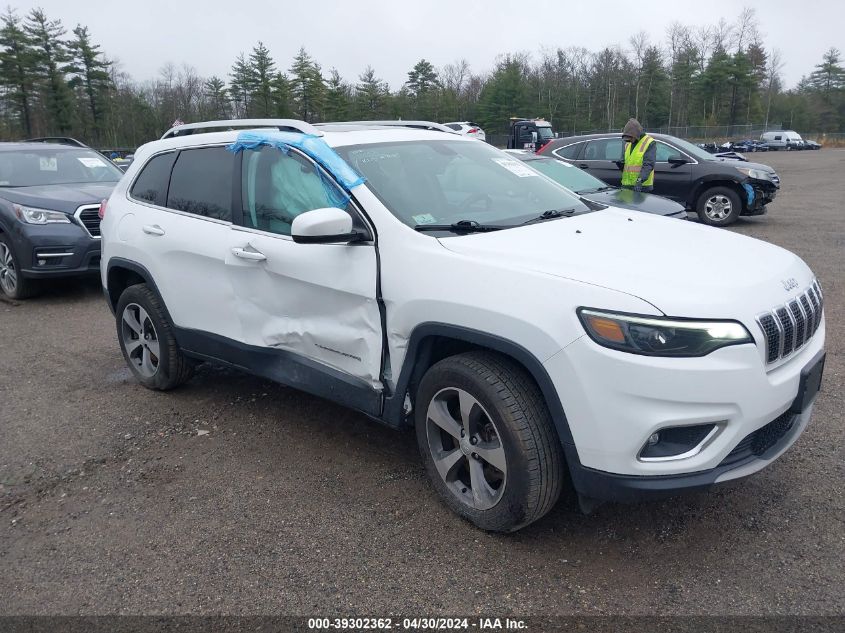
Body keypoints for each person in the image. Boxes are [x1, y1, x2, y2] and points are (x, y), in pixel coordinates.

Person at [620, 118, 655, 192]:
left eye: (630, 138)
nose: (629, 141)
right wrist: (621, 164)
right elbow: (626, 162)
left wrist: (640, 180)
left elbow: (648, 165)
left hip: (642, 187)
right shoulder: (627, 143)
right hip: (626, 185)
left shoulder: (649, 142)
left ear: (636, 135)